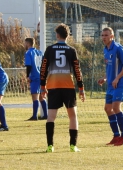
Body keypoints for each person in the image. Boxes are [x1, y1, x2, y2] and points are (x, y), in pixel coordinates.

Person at [40, 23, 85, 153]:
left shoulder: (49, 49)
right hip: (67, 86)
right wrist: (81, 88)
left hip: (53, 86)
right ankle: (73, 145)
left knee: (51, 116)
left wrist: (42, 87)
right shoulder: (71, 50)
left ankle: (50, 146)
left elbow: (43, 69)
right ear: (68, 36)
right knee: (73, 116)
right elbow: (77, 70)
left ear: (57, 35)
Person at [97, 27, 123, 146]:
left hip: (120, 83)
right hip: (111, 84)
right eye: (102, 35)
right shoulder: (105, 50)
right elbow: (109, 68)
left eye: (106, 35)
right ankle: (116, 136)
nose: (104, 37)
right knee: (107, 109)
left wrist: (117, 78)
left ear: (112, 36)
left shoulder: (118, 48)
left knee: (116, 107)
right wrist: (105, 78)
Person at [24, 37, 48, 120]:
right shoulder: (39, 52)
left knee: (35, 97)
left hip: (34, 77)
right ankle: (46, 115)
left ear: (28, 43)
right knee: (42, 97)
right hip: (41, 77)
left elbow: (29, 65)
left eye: (25, 43)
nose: (25, 45)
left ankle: (34, 116)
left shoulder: (28, 53)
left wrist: (27, 76)